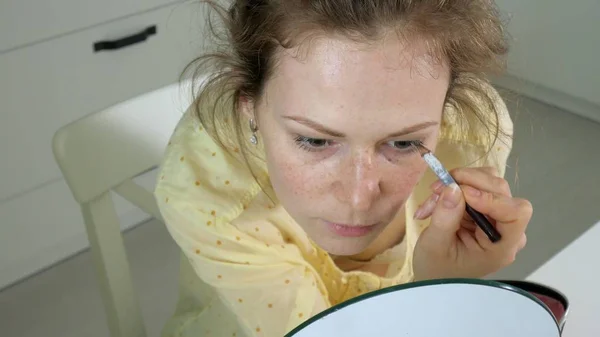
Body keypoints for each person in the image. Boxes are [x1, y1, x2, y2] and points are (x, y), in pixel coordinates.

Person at [154, 1, 532, 336]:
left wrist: (444, 284)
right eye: (315, 141)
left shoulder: (471, 137)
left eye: (403, 144)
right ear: (250, 108)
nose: (358, 196)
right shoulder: (208, 188)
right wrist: (435, 289)